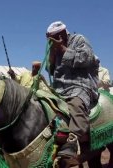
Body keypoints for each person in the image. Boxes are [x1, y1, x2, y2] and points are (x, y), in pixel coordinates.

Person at [46, 21, 99, 160]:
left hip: (80, 85)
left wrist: (62, 48)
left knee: (76, 103)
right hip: (59, 88)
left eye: (55, 36)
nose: (53, 40)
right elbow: (50, 70)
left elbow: (85, 59)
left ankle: (73, 141)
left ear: (63, 33)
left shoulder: (79, 39)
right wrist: (52, 51)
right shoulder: (54, 48)